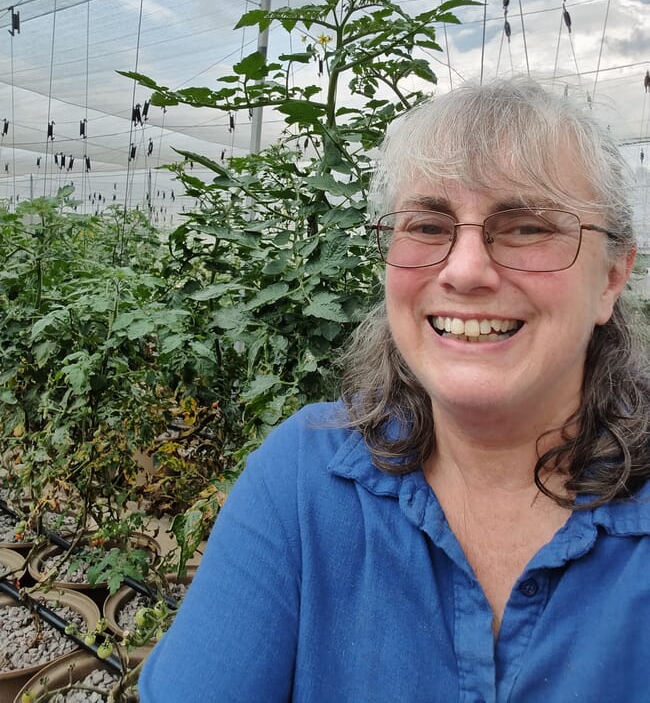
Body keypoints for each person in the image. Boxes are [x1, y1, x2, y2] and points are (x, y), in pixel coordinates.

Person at [139, 77, 650, 703]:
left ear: (612, 277)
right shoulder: (304, 478)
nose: (464, 271)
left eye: (526, 227)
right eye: (430, 226)